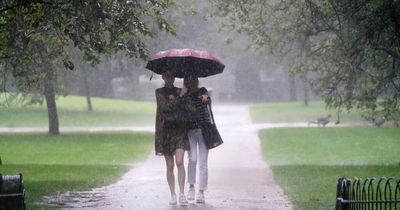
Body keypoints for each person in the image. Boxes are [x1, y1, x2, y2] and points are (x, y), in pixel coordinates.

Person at [155, 71, 190, 205]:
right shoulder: (159, 92)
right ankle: (173, 194)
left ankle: (182, 193)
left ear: (174, 77)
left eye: (172, 76)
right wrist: (180, 97)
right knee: (170, 165)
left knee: (180, 162)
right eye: (167, 76)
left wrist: (187, 96)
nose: (170, 78)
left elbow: (187, 108)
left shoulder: (181, 90)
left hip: (179, 131)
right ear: (163, 77)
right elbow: (166, 107)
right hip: (166, 132)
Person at [182, 75, 210, 204]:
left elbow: (208, 99)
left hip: (204, 131)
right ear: (186, 81)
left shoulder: (202, 91)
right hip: (190, 130)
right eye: (189, 79)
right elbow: (181, 109)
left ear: (197, 80)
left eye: (194, 79)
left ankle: (201, 192)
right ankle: (191, 187)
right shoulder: (185, 94)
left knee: (203, 162)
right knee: (192, 158)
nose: (192, 81)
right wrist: (182, 95)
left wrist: (206, 98)